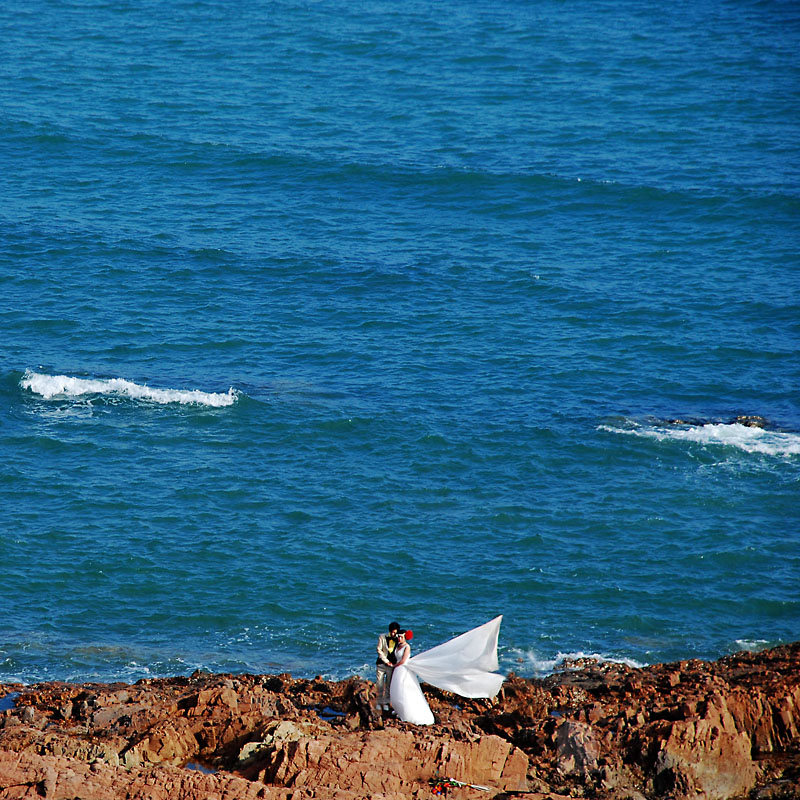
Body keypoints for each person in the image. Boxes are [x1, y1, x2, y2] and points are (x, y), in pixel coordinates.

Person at [389, 616, 505, 726]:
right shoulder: (397, 646)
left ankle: (408, 714)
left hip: (402, 669)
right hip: (399, 670)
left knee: (404, 690)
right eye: (398, 636)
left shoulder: (407, 647)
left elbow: (403, 661)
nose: (399, 638)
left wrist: (394, 665)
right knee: (399, 691)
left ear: (405, 637)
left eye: (401, 636)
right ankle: (399, 711)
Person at [375, 621, 400, 710]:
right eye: (392, 632)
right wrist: (386, 661)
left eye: (395, 632)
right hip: (381, 664)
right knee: (380, 683)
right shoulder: (382, 637)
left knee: (389, 684)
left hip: (392, 665)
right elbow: (379, 650)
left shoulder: (398, 639)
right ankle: (379, 701)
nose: (394, 634)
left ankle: (386, 702)